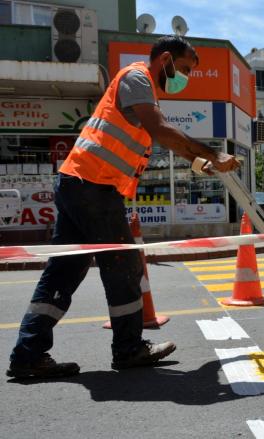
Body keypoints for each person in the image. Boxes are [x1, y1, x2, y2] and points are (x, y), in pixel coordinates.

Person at [7, 36, 240, 379]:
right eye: (185, 69)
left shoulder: (144, 90)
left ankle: (28, 353)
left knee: (63, 272)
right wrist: (213, 153)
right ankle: (128, 349)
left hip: (80, 183)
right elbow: (160, 131)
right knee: (124, 266)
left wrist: (197, 163)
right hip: (94, 187)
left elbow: (157, 136)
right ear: (165, 60)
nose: (185, 77)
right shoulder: (137, 78)